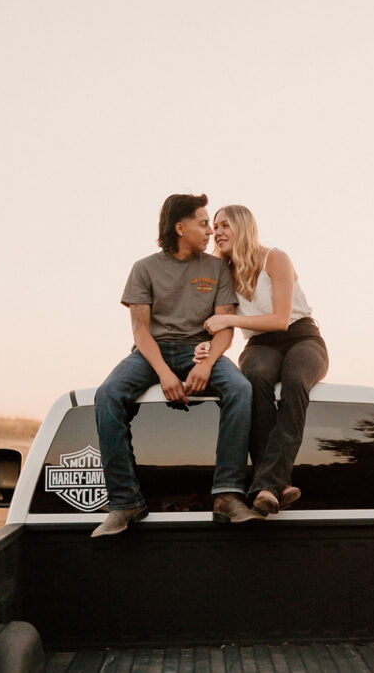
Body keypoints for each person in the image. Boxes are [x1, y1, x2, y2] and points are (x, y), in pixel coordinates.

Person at [91, 194, 260, 538]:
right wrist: (165, 374)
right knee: (107, 395)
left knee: (241, 388)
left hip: (198, 351)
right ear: (180, 228)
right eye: (202, 223)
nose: (210, 231)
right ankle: (125, 502)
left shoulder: (216, 269)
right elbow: (140, 330)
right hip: (151, 352)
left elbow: (226, 326)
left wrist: (207, 363)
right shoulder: (144, 268)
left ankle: (227, 495)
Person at [196, 204, 329, 516]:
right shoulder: (222, 272)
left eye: (225, 225)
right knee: (254, 379)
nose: (217, 232)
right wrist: (204, 350)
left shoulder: (276, 258)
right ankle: (277, 486)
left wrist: (229, 322)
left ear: (244, 227)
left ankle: (265, 484)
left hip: (302, 336)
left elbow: (281, 319)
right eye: (216, 226)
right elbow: (219, 323)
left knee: (296, 382)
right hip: (259, 344)